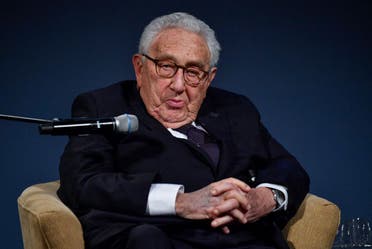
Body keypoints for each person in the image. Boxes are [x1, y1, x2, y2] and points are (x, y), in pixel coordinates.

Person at [57, 12, 310, 249]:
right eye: (166, 66)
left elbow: (287, 167)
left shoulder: (235, 109)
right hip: (161, 238)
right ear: (139, 68)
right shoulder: (104, 107)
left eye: (192, 72)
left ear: (209, 78)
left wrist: (265, 198)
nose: (178, 85)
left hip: (246, 239)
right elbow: (82, 182)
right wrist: (180, 202)